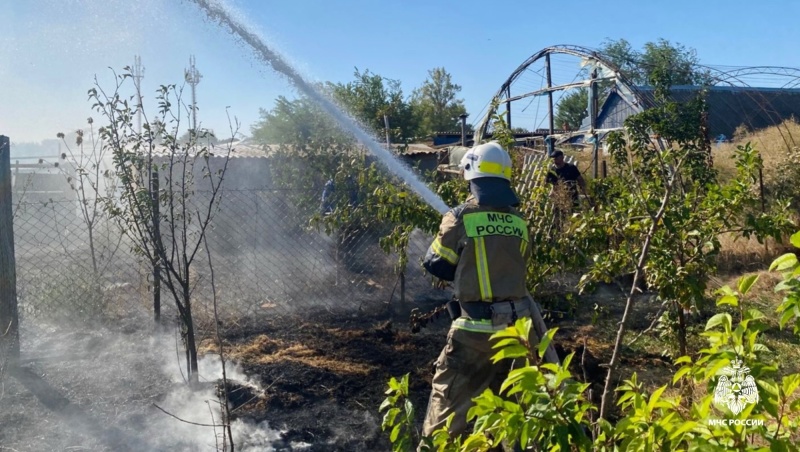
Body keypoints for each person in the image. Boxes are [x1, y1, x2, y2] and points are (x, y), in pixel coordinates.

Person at [420, 141, 535, 445]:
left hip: (474, 331)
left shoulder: (460, 217)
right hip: (519, 331)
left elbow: (436, 264)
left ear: (472, 175)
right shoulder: (520, 222)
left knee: (447, 407)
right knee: (513, 412)